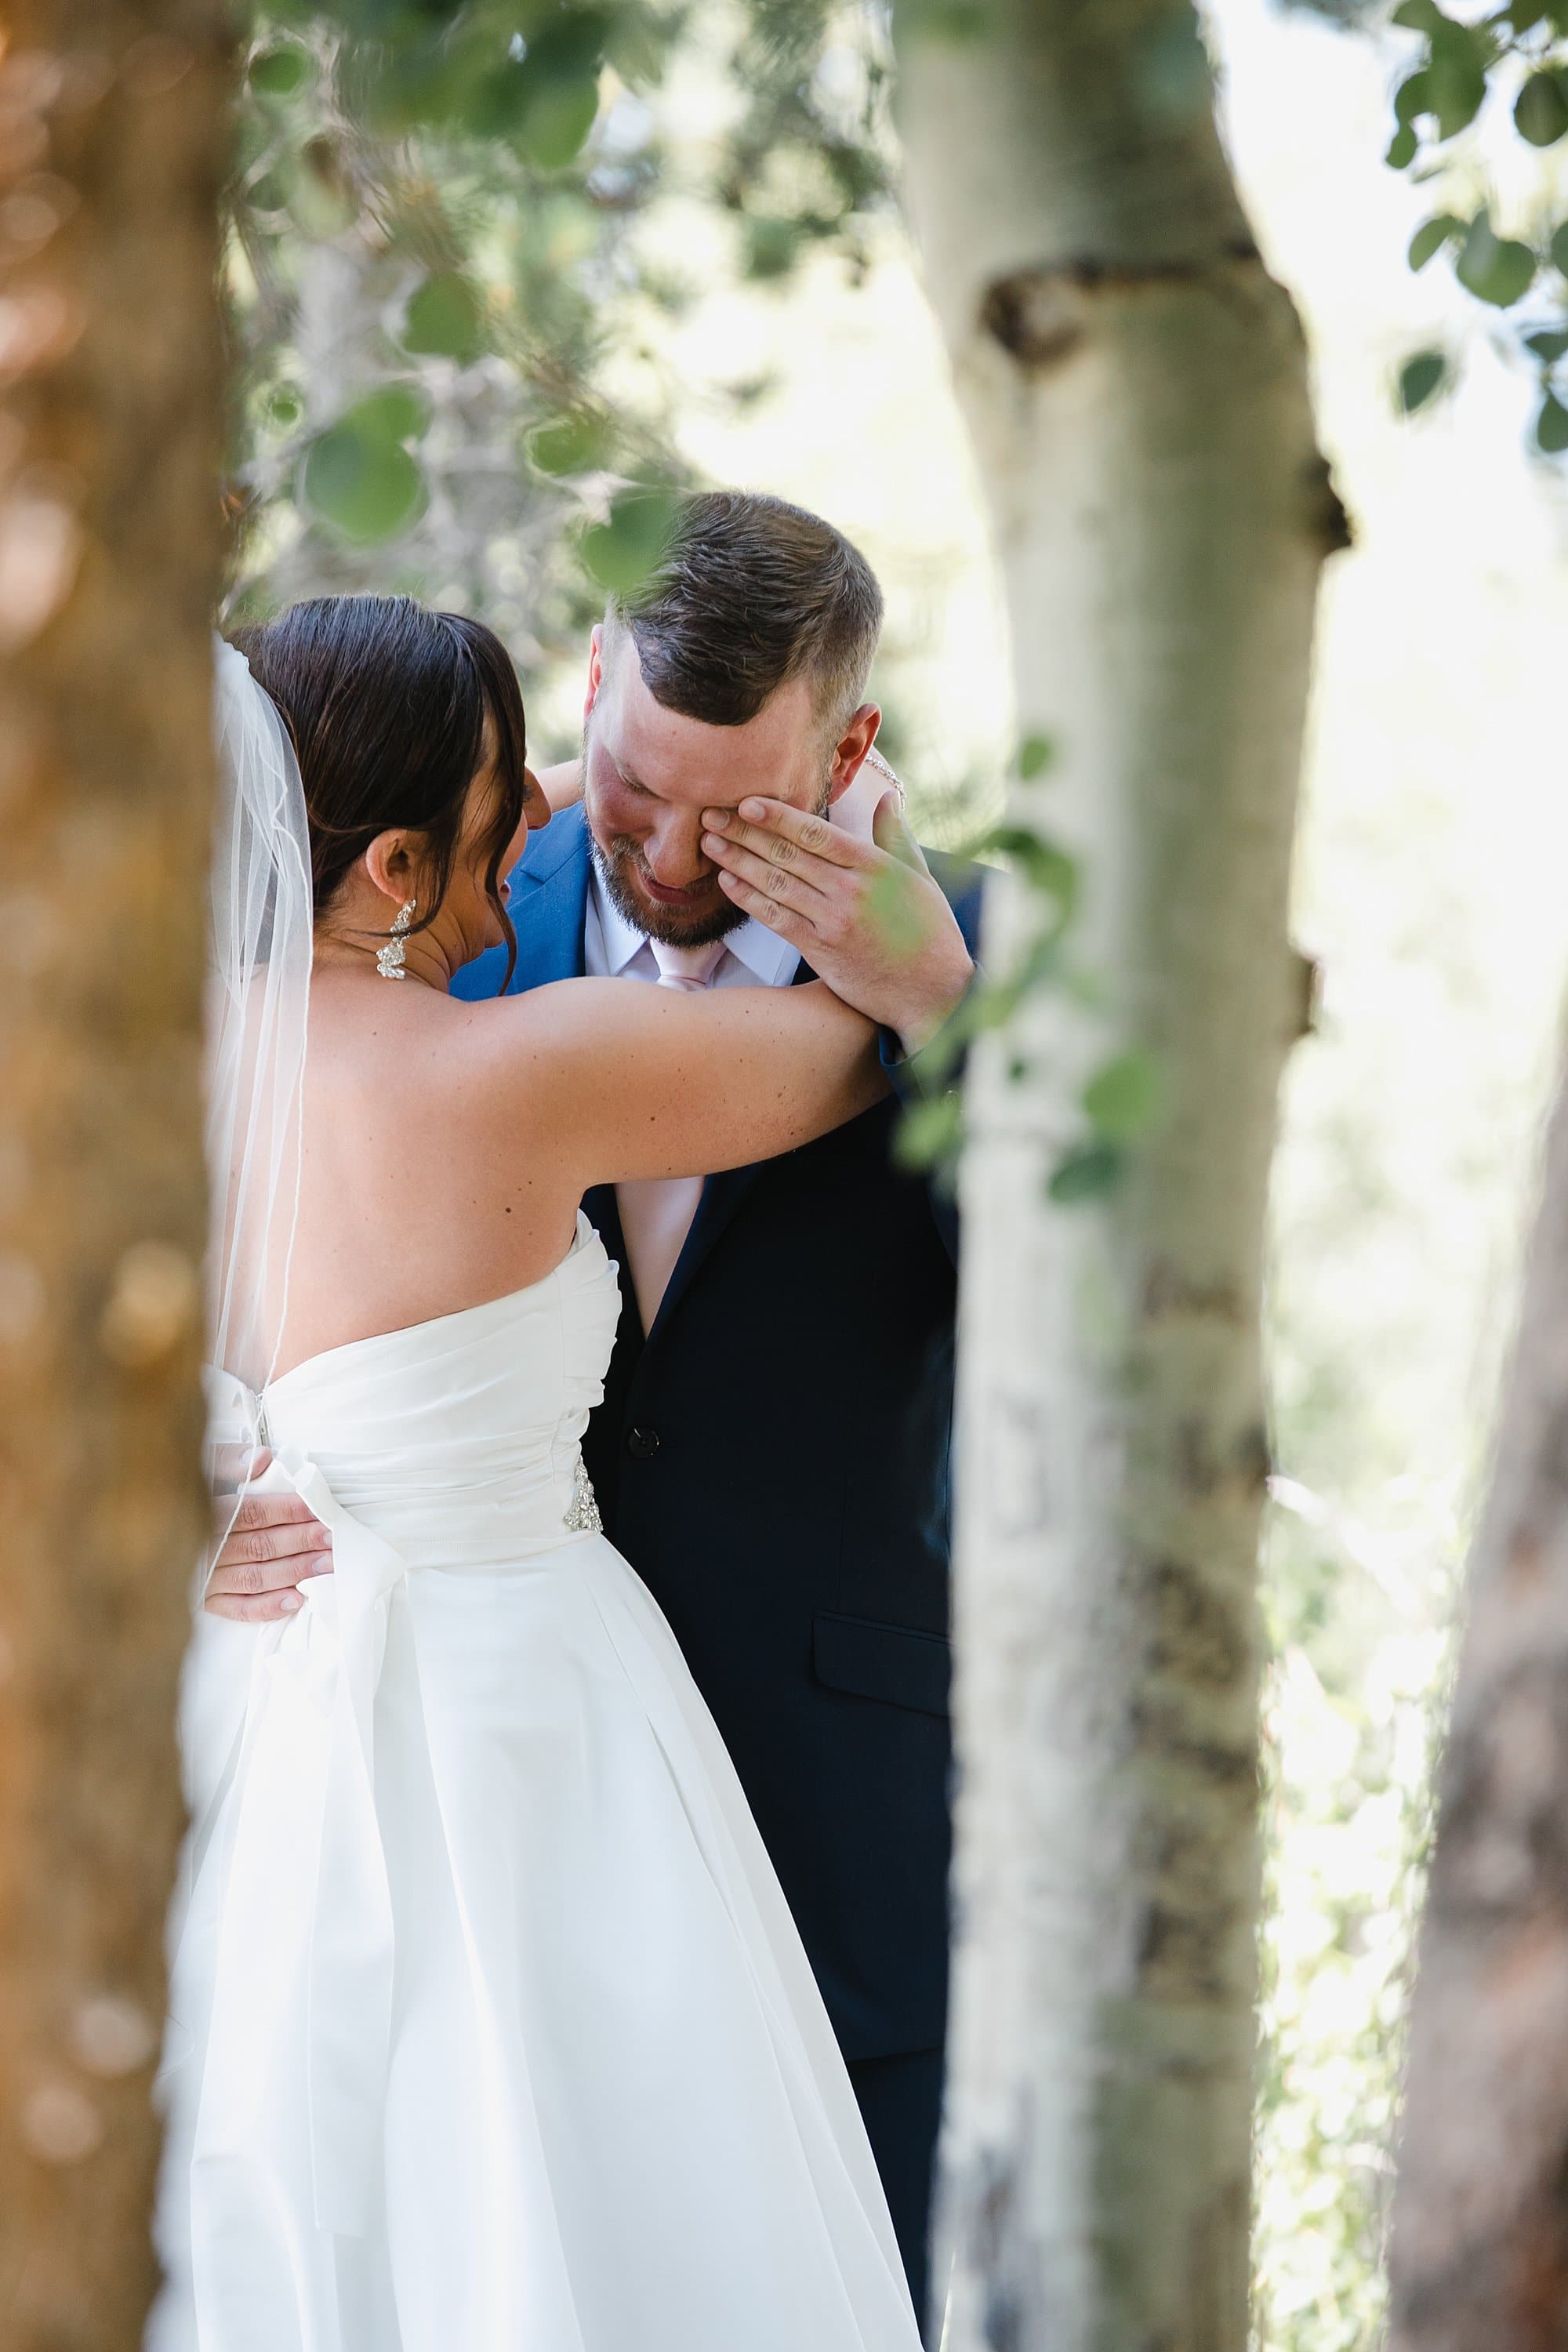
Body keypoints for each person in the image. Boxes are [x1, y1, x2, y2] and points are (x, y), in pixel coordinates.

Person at [203, 492, 980, 2332]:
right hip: (538, 1727)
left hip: (320, 1721)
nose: (569, 821)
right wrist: (904, 944)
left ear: (846, 743)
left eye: (733, 805)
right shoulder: (502, 1039)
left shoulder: (129, 1067)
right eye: (594, 777)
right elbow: (830, 1058)